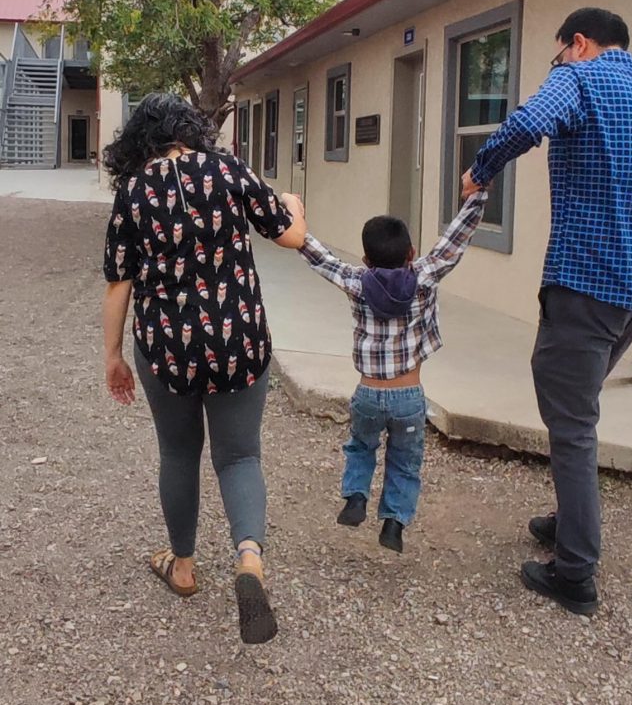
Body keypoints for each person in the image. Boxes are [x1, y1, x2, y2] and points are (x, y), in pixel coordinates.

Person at [463, 8, 632, 615]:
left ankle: (575, 574)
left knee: (571, 425)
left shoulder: (579, 78)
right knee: (577, 405)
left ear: (578, 43)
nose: (558, 65)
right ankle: (569, 520)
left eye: (557, 54)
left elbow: (528, 122)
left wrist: (479, 170)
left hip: (585, 283)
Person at [101, 93, 306, 644]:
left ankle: (184, 566)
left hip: (167, 346)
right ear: (191, 130)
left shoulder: (133, 192)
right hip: (239, 338)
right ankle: (248, 560)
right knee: (240, 455)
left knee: (178, 452)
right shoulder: (226, 168)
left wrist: (113, 355)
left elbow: (119, 280)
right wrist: (294, 204)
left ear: (139, 140)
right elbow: (291, 235)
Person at [298, 190, 488, 553]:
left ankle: (355, 499)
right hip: (408, 397)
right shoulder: (425, 277)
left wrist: (292, 225)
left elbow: (321, 259)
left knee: (360, 447)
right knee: (405, 459)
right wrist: (477, 198)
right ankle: (394, 524)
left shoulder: (357, 282)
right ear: (412, 254)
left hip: (367, 394)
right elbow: (455, 241)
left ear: (367, 260)